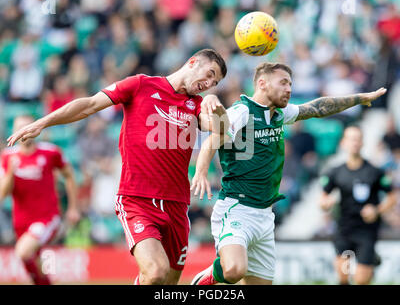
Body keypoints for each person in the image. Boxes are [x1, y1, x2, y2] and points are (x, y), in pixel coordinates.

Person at [7, 48, 228, 285]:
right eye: (209, 74)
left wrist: (217, 106)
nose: (208, 83)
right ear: (193, 62)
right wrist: (44, 122)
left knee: (167, 283)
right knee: (156, 272)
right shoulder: (141, 85)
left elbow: (221, 130)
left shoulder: (196, 105)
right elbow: (90, 104)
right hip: (137, 200)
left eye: (214, 83)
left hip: (177, 204)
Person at [189, 62, 387, 285]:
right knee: (234, 270)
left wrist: (359, 98)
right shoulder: (241, 111)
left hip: (265, 215)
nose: (289, 89)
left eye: (290, 84)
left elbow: (318, 107)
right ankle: (206, 278)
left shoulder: (280, 114)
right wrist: (202, 171)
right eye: (283, 83)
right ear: (262, 84)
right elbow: (216, 135)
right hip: (237, 208)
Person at [0, 115, 80, 285]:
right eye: (19, 128)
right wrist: (10, 173)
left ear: (34, 129)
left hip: (46, 217)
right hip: (20, 221)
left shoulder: (51, 152)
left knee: (22, 252)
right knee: (33, 265)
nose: (22, 132)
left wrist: (73, 207)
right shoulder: (7, 157)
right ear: (13, 132)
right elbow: (3, 194)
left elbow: (69, 175)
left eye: (26, 127)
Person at [319, 126, 397, 285]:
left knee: (361, 280)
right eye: (351, 139)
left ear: (362, 143)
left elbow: (392, 197)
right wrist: (326, 204)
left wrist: (377, 210)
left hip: (366, 231)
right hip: (344, 229)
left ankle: (370, 261)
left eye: (358, 139)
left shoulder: (374, 171)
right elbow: (323, 198)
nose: (354, 142)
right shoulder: (335, 172)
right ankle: (370, 262)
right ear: (343, 143)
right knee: (343, 277)